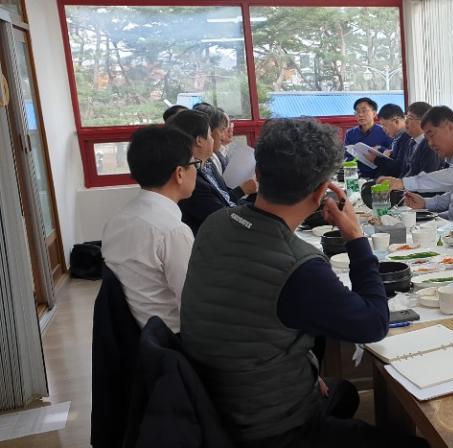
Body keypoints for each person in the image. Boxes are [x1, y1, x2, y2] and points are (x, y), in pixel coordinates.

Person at [180, 118, 424, 448]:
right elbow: (373, 324)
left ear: (258, 174)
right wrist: (355, 237)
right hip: (269, 428)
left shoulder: (217, 222)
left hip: (216, 402)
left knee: (344, 393)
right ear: (322, 192)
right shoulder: (298, 265)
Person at [102, 126, 199, 333]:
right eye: (194, 163)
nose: (197, 171)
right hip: (173, 338)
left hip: (138, 336)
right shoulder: (172, 231)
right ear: (179, 173)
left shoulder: (116, 221)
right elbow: (194, 303)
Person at [169, 110, 247, 234]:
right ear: (199, 140)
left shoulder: (208, 164)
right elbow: (225, 218)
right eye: (210, 135)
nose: (213, 140)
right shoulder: (191, 179)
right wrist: (250, 223)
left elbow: (226, 198)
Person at [344, 97, 392, 178]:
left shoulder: (385, 131)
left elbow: (392, 155)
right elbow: (347, 157)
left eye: (364, 111)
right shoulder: (350, 133)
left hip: (380, 177)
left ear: (374, 113)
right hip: (357, 176)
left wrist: (381, 149)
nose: (360, 115)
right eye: (357, 112)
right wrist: (350, 179)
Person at [366, 103, 412, 178]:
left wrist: (376, 159)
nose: (383, 129)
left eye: (384, 125)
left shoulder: (407, 138)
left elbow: (399, 169)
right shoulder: (397, 138)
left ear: (396, 121)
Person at [401, 101, 443, 177]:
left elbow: (427, 176)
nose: (406, 121)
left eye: (410, 118)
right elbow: (405, 171)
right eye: (406, 117)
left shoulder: (432, 145)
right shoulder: (410, 142)